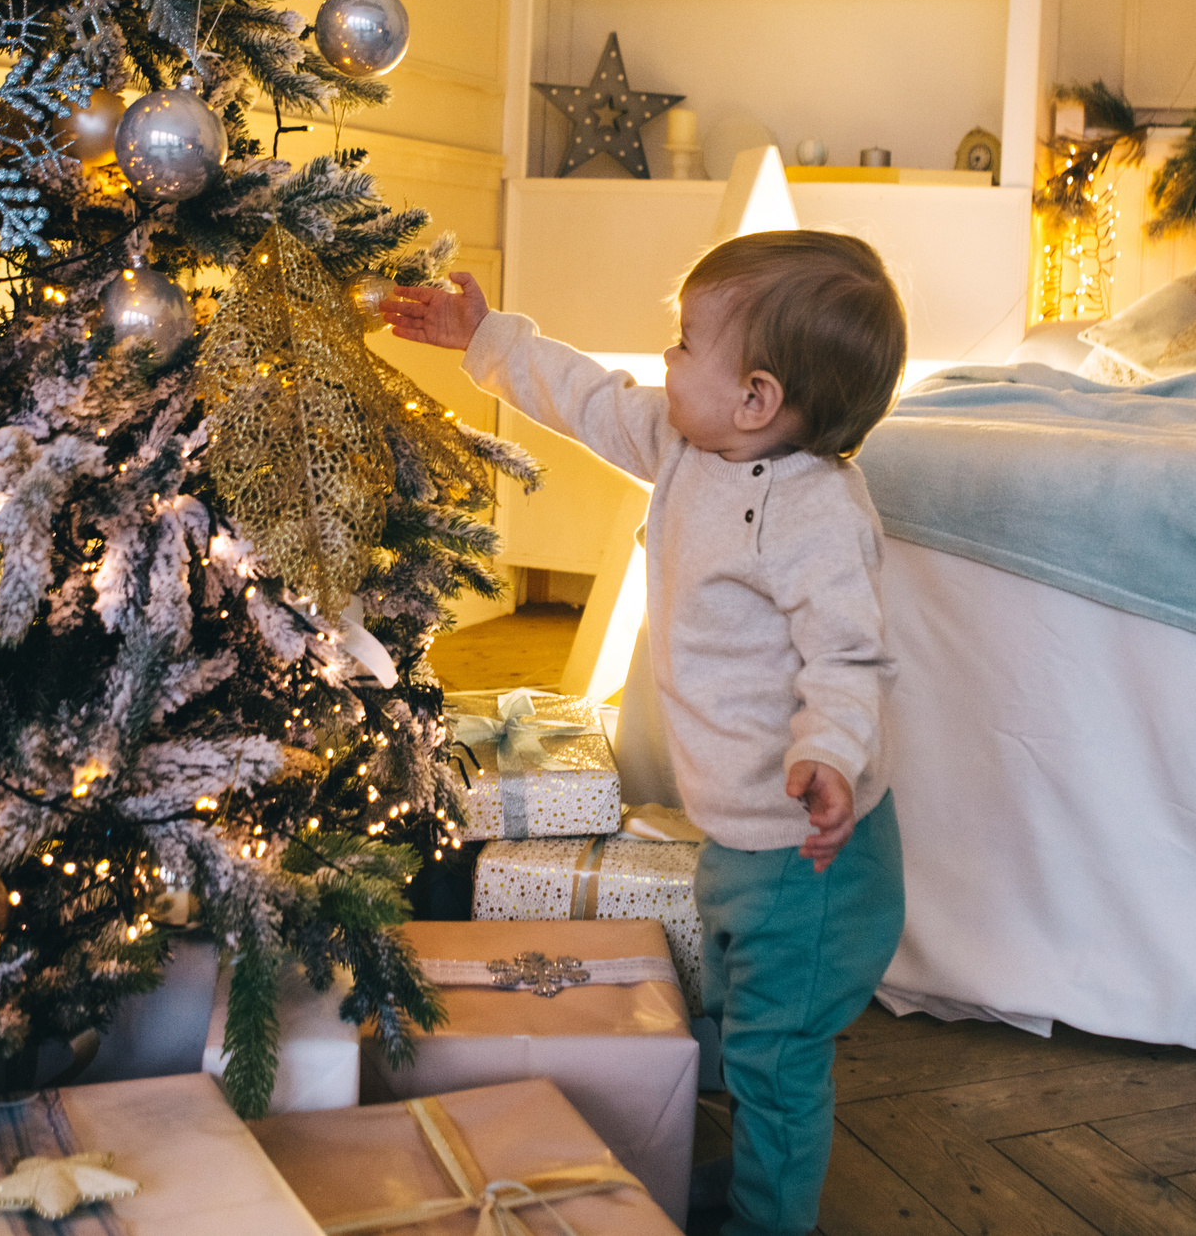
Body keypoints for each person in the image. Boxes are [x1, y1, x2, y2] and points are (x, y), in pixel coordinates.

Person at [384, 230, 908, 1236]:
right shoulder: (684, 444)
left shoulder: (815, 514)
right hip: (738, 835)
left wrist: (828, 756)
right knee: (735, 1016)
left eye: (681, 344)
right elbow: (583, 396)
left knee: (777, 1056)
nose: (661, 362)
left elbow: (848, 656)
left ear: (755, 397)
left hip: (812, 857)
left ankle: (770, 1218)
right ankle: (746, 1171)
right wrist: (484, 336)